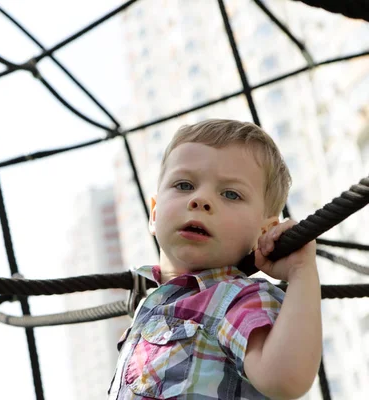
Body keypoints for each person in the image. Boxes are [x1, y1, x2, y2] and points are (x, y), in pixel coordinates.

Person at [108, 119, 322, 399]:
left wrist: (302, 270)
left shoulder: (238, 298)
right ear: (155, 213)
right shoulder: (144, 309)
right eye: (184, 185)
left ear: (265, 232)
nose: (200, 199)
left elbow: (285, 379)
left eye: (231, 194)